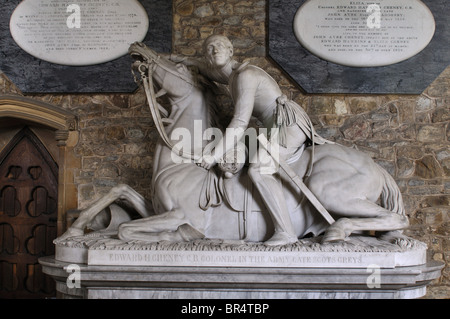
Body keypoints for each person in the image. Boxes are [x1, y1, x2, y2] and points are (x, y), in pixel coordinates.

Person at [168, 35, 331, 245]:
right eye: (209, 48)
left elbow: (239, 122)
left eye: (219, 46)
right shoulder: (231, 77)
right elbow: (200, 65)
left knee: (258, 170)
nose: (214, 50)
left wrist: (214, 155)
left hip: (286, 126)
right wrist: (173, 58)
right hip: (272, 128)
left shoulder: (245, 76)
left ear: (231, 51)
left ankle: (286, 232)